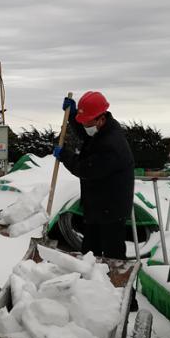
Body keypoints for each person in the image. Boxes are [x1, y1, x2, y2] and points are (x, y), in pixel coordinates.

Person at [53, 91, 134, 260]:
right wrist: (73, 115)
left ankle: (117, 284)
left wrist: (65, 156)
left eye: (87, 122)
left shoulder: (112, 144)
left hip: (112, 208)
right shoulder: (102, 129)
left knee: (113, 254)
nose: (85, 127)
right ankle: (89, 282)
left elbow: (86, 169)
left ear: (100, 119)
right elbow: (85, 133)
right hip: (98, 203)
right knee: (90, 251)